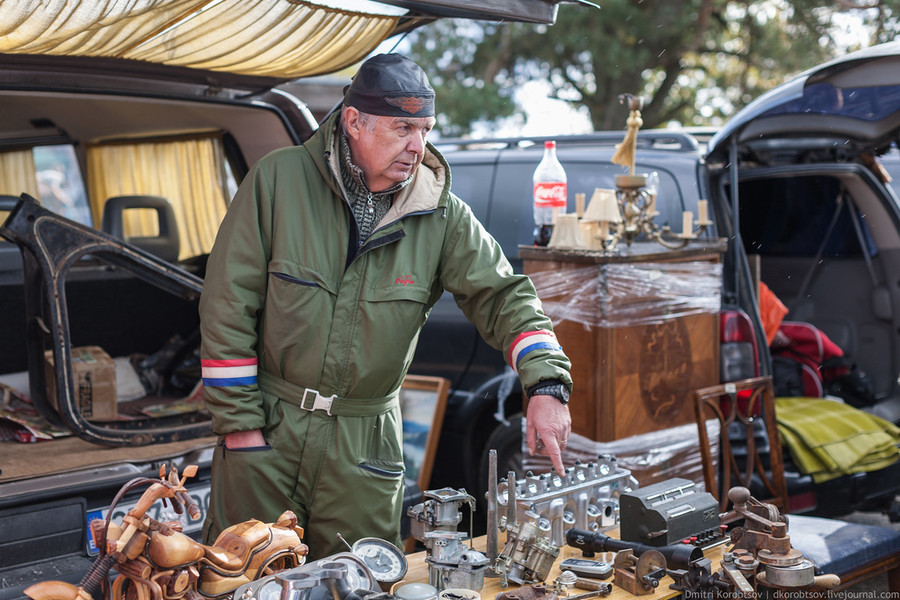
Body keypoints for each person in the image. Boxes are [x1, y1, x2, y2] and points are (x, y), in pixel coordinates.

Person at [199, 53, 572, 560]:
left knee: (361, 583)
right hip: (268, 432)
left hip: (365, 452)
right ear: (354, 122)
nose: (418, 146)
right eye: (403, 128)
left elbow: (506, 296)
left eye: (425, 129)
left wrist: (546, 383)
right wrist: (241, 429)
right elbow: (227, 306)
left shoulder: (443, 217)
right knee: (243, 583)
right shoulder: (276, 183)